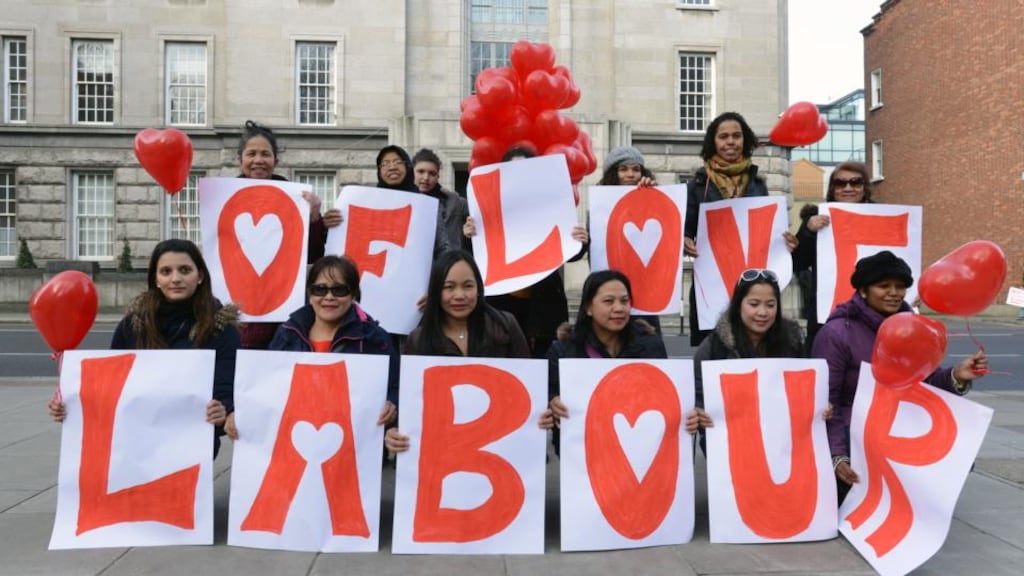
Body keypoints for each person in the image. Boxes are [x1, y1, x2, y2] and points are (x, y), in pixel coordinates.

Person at [812, 251, 988, 503]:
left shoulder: (914, 325)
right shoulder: (837, 333)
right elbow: (828, 402)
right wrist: (838, 455)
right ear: (863, 290)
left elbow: (923, 382)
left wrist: (956, 375)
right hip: (856, 428)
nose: (894, 293)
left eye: (900, 286)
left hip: (901, 421)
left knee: (958, 456)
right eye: (884, 286)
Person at [47, 239, 240, 458]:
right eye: (166, 271)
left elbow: (227, 389)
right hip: (135, 438)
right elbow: (109, 384)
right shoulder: (132, 326)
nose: (175, 278)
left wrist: (222, 410)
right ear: (155, 279)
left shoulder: (222, 329)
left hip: (191, 442)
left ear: (200, 276)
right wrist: (69, 404)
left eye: (185, 270)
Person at [385, 250, 553, 453]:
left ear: (479, 288)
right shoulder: (419, 339)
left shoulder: (506, 324)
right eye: (449, 287)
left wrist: (541, 412)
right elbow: (411, 404)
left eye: (468, 286)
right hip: (445, 450)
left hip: (503, 444)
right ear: (436, 291)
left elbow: (529, 386)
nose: (459, 296)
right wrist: (394, 432)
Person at [224, 255, 399, 440]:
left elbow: (396, 387)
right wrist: (241, 415)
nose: (329, 297)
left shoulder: (374, 338)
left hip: (353, 446)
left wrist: (393, 405)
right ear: (309, 293)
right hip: (293, 441)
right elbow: (266, 389)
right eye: (320, 289)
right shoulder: (287, 334)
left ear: (354, 294)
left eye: (339, 290)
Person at [462, 147, 590, 358]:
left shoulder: (550, 202)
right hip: (501, 303)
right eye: (512, 168)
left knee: (544, 360)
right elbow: (473, 258)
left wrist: (581, 241)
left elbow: (569, 252)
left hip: (543, 304)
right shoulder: (486, 205)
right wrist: (468, 237)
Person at [683, 112, 798, 346]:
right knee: (714, 349)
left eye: (736, 136)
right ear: (713, 142)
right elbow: (685, 229)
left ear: (744, 140)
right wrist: (685, 240)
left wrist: (785, 244)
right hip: (713, 281)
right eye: (723, 137)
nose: (730, 142)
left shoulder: (758, 184)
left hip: (750, 281)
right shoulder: (696, 185)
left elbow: (764, 231)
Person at [687, 268, 830, 451]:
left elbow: (807, 391)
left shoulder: (793, 342)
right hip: (729, 446)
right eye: (754, 304)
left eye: (770, 305)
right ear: (738, 305)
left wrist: (821, 408)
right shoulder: (714, 347)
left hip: (782, 443)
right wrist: (697, 413)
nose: (763, 312)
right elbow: (697, 395)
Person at [236, 120, 341, 349]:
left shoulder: (296, 200)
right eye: (251, 154)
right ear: (241, 159)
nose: (258, 161)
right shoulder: (223, 201)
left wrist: (314, 218)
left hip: (282, 311)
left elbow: (313, 256)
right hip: (239, 309)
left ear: (276, 161)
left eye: (265, 154)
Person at [547, 270, 668, 454]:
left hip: (641, 448)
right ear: (588, 307)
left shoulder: (651, 346)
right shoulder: (564, 350)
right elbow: (548, 391)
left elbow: (666, 396)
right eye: (608, 301)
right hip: (582, 451)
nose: (619, 308)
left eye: (624, 301)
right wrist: (552, 402)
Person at [792, 161, 875, 354]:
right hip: (826, 316)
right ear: (832, 188)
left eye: (855, 182)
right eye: (840, 183)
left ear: (865, 187)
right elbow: (797, 263)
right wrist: (808, 232)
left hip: (872, 315)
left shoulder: (883, 216)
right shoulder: (816, 219)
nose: (848, 188)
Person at [597, 145, 663, 335]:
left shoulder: (653, 199)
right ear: (613, 174)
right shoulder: (600, 209)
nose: (630, 174)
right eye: (623, 169)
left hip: (645, 296)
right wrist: (582, 242)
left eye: (636, 169)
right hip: (611, 291)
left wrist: (656, 197)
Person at [412, 148, 471, 253]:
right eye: (421, 172)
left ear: (438, 176)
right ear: (412, 173)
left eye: (432, 173)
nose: (426, 177)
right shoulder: (401, 201)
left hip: (449, 265)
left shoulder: (455, 202)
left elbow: (481, 218)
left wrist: (468, 232)